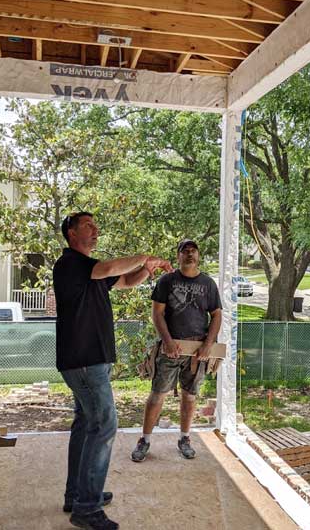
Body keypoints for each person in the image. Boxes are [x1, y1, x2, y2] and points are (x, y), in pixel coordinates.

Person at [54, 211, 172, 530]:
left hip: (91, 361)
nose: (96, 230)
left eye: (96, 225)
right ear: (71, 233)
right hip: (84, 361)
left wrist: (145, 271)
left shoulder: (90, 270)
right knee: (105, 425)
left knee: (85, 423)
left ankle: (77, 494)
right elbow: (109, 268)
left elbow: (124, 281)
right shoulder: (70, 264)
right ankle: (87, 509)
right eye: (88, 226)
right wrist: (144, 256)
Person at [131, 239, 222, 462]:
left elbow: (217, 315)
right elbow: (157, 314)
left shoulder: (208, 284)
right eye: (185, 251)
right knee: (158, 394)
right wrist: (168, 341)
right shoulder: (167, 281)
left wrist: (208, 344)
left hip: (196, 351)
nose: (190, 254)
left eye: (193, 251)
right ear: (178, 256)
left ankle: (184, 438)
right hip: (170, 349)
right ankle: (145, 439)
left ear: (198, 256)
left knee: (190, 397)